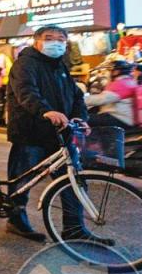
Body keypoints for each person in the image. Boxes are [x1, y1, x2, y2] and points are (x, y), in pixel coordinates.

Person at [6, 25, 107, 244]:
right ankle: (15, 219)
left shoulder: (60, 66)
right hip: (30, 132)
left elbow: (77, 96)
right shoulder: (25, 64)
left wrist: (81, 117)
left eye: (61, 39)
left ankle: (73, 228)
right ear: (36, 42)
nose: (56, 42)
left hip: (60, 134)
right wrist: (45, 111)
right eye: (49, 38)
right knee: (23, 180)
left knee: (72, 180)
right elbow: (25, 92)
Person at [85, 60, 138, 130]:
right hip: (123, 117)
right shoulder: (129, 81)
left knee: (83, 119)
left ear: (116, 72)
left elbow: (101, 99)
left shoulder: (121, 84)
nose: (108, 73)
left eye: (110, 70)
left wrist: (79, 100)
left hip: (119, 118)